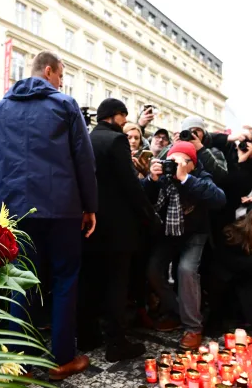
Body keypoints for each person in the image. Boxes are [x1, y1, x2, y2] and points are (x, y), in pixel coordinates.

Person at [0, 50, 97, 380]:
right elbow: (83, 160)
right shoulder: (65, 105)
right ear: (49, 71)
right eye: (61, 77)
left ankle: (14, 361)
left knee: (19, 281)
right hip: (61, 208)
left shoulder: (1, 108)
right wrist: (89, 206)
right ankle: (62, 358)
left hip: (15, 210)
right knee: (65, 280)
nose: (61, 83)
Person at [78, 98, 159, 362]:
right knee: (116, 285)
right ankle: (116, 343)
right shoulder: (116, 141)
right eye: (124, 117)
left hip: (90, 223)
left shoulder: (87, 138)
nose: (125, 123)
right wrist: (150, 215)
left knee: (90, 282)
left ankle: (88, 337)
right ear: (116, 116)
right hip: (117, 228)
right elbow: (130, 186)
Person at [143, 141, 226, 348]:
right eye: (171, 161)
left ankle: (193, 327)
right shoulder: (162, 177)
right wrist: (151, 180)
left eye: (180, 162)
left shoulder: (200, 177)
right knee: (152, 270)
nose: (173, 166)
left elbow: (219, 199)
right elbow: (143, 200)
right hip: (168, 234)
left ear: (192, 164)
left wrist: (185, 179)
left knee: (186, 270)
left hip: (194, 234)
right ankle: (180, 311)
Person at [179, 115, 228, 185]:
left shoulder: (214, 152)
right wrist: (174, 146)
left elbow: (222, 176)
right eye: (189, 131)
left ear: (204, 134)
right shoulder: (176, 149)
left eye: (198, 130)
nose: (193, 134)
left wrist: (201, 150)